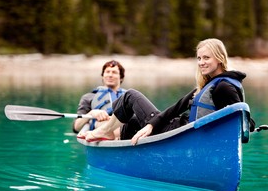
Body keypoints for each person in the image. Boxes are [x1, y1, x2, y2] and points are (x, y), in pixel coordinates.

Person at [84, 38, 255, 145]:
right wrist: (151, 125)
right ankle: (114, 138)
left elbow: (243, 119)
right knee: (135, 121)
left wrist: (153, 125)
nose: (201, 62)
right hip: (177, 130)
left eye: (206, 58)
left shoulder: (223, 86)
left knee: (130, 95)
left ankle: (104, 131)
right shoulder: (209, 85)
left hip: (178, 134)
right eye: (199, 58)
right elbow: (176, 108)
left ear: (219, 58)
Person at [73, 60, 126, 138]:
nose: (110, 75)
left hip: (126, 129)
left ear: (121, 78)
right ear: (103, 76)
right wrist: (91, 113)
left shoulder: (129, 98)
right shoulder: (89, 97)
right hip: (100, 127)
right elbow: (76, 127)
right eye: (107, 72)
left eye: (114, 72)